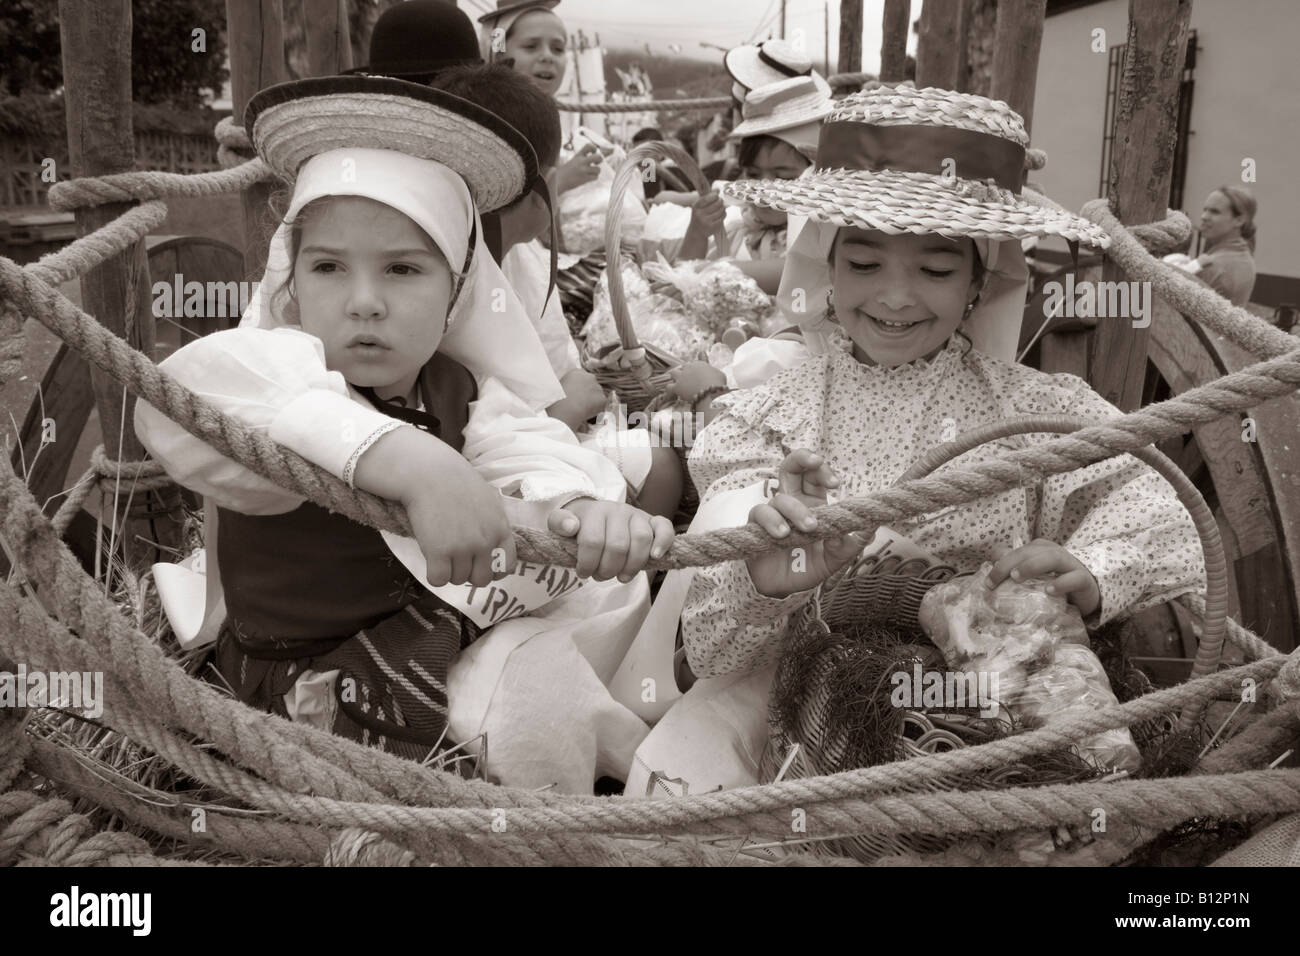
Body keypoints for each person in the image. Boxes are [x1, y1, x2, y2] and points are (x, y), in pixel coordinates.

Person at [625, 85, 1206, 795]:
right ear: (828, 273)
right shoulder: (766, 419)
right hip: (791, 706)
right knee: (673, 788)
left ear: (976, 282)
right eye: (864, 263)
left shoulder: (1036, 413)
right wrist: (764, 579)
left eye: (935, 268)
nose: (896, 297)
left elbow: (1156, 516)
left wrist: (1088, 568)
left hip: (1003, 706)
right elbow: (714, 646)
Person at [136, 75, 673, 789]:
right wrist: (411, 461)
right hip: (313, 675)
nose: (364, 303)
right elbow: (190, 402)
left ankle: (614, 788)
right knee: (512, 710)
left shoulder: (462, 387)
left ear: (455, 291)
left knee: (561, 657)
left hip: (424, 632)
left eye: (402, 269)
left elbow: (530, 449)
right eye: (328, 267)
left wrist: (572, 506)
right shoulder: (270, 367)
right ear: (291, 281)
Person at [1195, 185, 1257, 307]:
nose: (1204, 217)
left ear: (1239, 220)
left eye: (1214, 212)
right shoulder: (1245, 256)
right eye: (1205, 210)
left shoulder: (1211, 266)